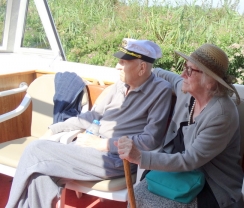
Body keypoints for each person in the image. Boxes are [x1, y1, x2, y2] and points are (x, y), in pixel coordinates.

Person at [5, 38, 172, 208]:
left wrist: (104, 144)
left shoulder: (161, 91)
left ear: (142, 67)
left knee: (35, 149)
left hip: (116, 159)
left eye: (123, 62)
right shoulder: (119, 86)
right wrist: (54, 129)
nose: (117, 66)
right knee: (40, 176)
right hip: (88, 149)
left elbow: (151, 140)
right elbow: (91, 116)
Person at [116, 43, 244, 208]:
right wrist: (147, 70)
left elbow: (190, 160)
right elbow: (169, 76)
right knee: (136, 196)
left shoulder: (221, 114)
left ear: (210, 82)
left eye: (190, 71)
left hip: (210, 182)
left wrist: (140, 157)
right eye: (185, 67)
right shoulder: (187, 92)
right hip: (176, 172)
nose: (183, 74)